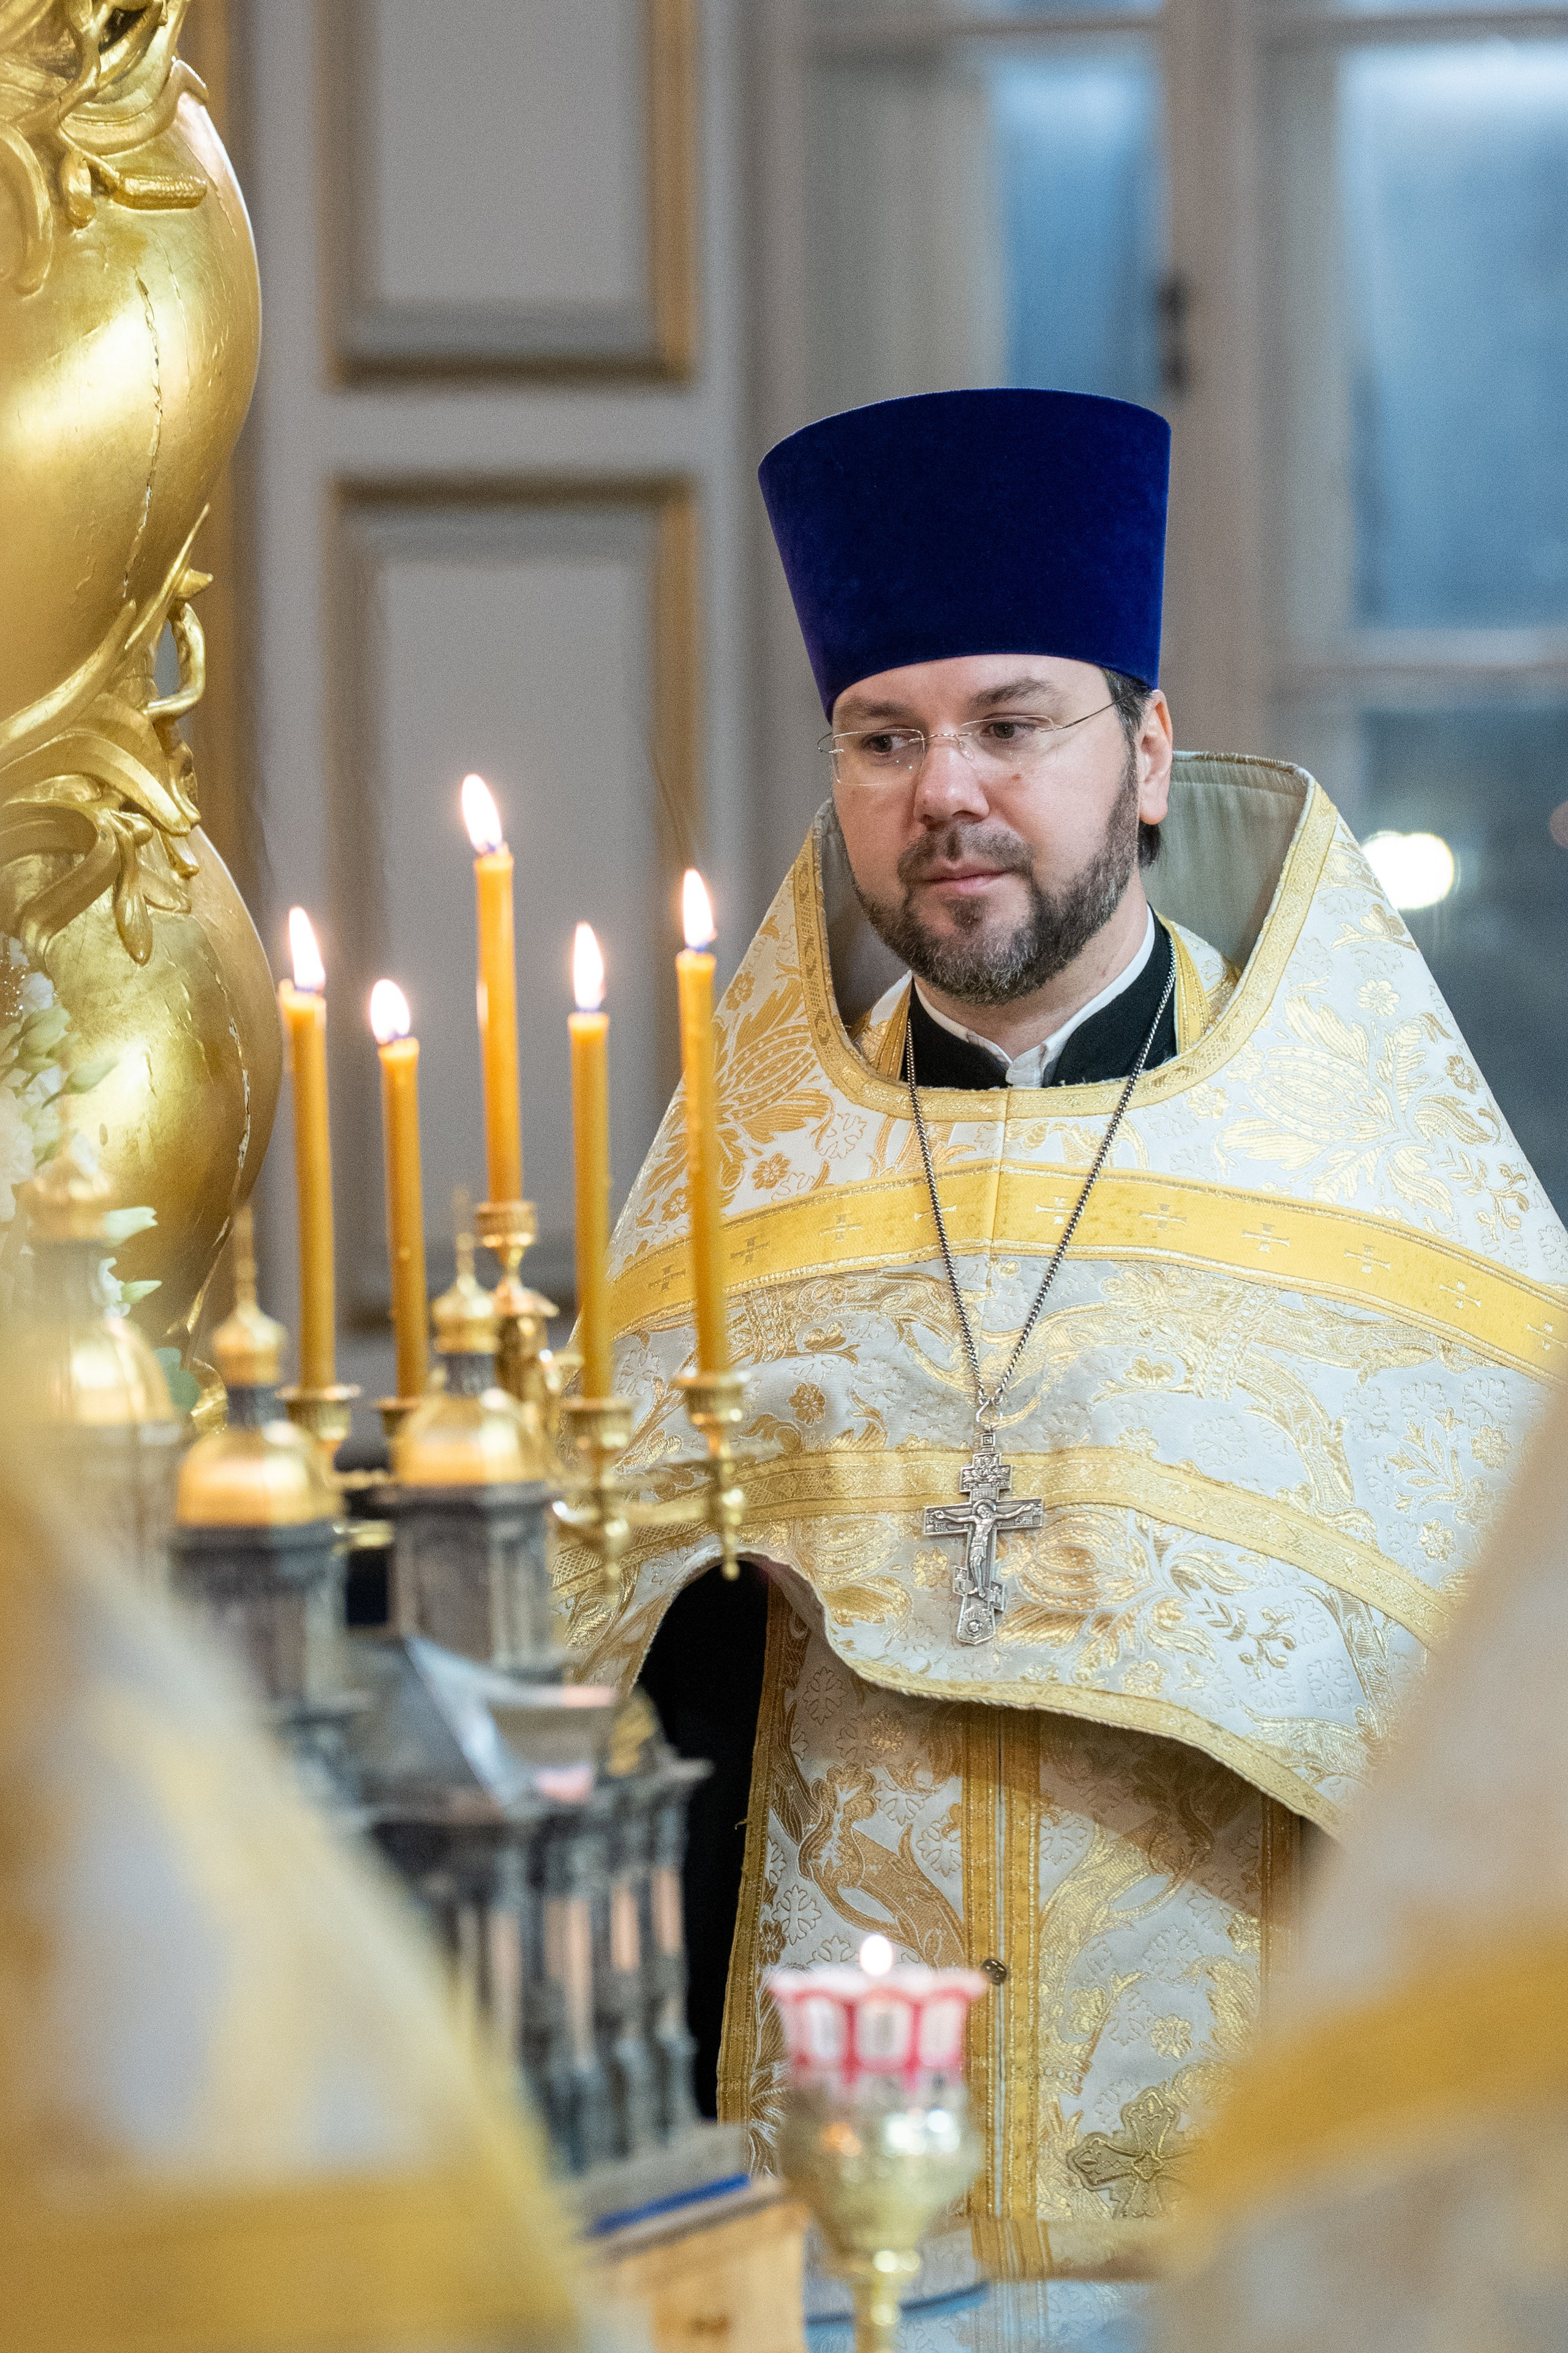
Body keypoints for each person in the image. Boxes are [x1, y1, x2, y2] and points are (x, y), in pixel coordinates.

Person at [553, 388, 1566, 2306]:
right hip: (832, 2247)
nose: (946, 790)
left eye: (1013, 723)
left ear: (1150, 752)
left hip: (1259, 2253)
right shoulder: (737, 1212)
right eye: (884, 736)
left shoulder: (1374, 1185)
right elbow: (571, 1708)